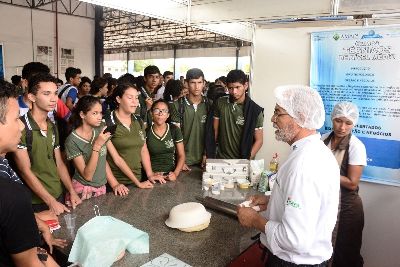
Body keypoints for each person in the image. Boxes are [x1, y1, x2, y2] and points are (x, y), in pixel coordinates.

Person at [237, 85, 340, 267]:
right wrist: (272, 200)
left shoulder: (303, 165)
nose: (272, 119)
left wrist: (254, 220)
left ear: (300, 117)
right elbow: (308, 205)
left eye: (278, 113)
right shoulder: (316, 151)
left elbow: (294, 239)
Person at [0, 80, 64, 267]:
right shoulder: (10, 194)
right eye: (14, 120)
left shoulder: (52, 125)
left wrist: (34, 222)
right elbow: (29, 263)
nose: (20, 127)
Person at [13, 72, 81, 215]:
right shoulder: (21, 127)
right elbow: (25, 170)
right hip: (35, 201)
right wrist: (50, 201)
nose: (53, 99)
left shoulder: (52, 125)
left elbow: (59, 163)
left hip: (57, 193)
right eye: (46, 94)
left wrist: (71, 191)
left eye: (55, 93)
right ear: (32, 97)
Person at [321, 102, 367, 267]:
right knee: (326, 249)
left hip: (347, 208)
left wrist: (325, 172)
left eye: (348, 123)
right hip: (327, 204)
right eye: (338, 121)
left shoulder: (356, 147)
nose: (342, 127)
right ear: (332, 119)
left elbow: (352, 183)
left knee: (345, 253)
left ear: (353, 123)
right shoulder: (323, 140)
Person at [65, 95, 129, 200]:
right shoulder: (72, 140)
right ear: (82, 114)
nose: (99, 117)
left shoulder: (99, 129)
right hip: (83, 190)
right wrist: (97, 146)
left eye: (100, 113)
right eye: (94, 113)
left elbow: (104, 160)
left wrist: (115, 184)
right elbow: (87, 176)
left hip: (101, 188)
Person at [105, 83, 165, 189]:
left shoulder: (138, 120)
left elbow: (143, 149)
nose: (135, 102)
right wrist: (114, 184)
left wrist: (150, 174)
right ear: (118, 99)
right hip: (116, 184)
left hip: (137, 179)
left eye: (137, 98)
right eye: (130, 98)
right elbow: (103, 159)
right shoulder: (108, 122)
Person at [210, 70, 264, 159]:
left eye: (237, 87)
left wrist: (246, 160)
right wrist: (209, 154)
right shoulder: (220, 103)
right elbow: (214, 131)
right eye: (231, 88)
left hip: (243, 160)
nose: (234, 91)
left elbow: (259, 140)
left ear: (245, 86)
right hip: (222, 158)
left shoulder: (255, 111)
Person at [171, 68, 209, 171]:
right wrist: (180, 160)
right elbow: (176, 135)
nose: (197, 87)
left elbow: (212, 133)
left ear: (204, 83)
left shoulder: (209, 105)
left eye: (199, 82)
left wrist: (207, 154)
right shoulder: (177, 105)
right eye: (193, 83)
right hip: (184, 162)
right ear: (186, 83)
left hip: (204, 161)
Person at [146, 99, 185, 181]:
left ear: (168, 115)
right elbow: (143, 157)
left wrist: (175, 173)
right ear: (151, 113)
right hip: (152, 175)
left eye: (164, 111)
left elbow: (181, 155)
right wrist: (151, 174)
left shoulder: (174, 130)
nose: (160, 113)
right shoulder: (146, 132)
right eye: (157, 110)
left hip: (170, 174)